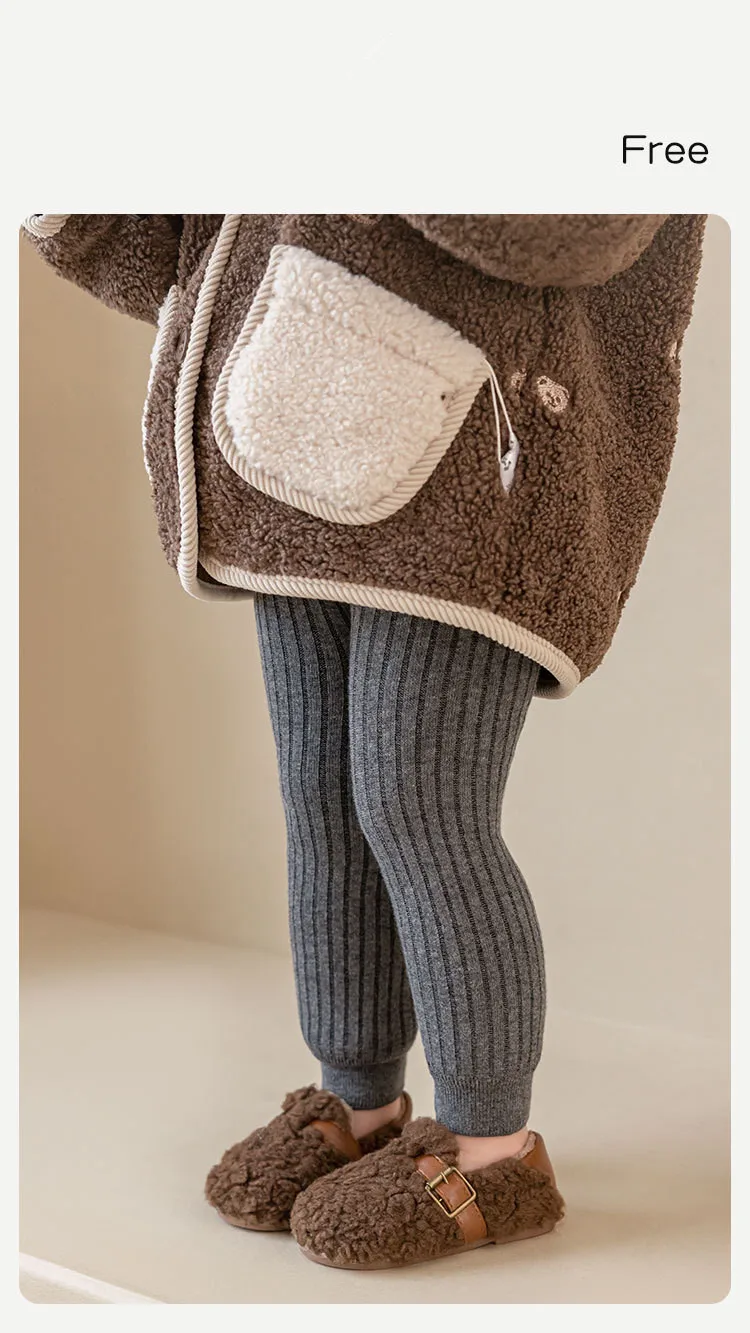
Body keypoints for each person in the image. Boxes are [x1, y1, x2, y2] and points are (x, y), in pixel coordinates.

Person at [24, 213, 705, 1269]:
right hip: (286, 429)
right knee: (325, 799)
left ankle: (493, 1154)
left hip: (464, 445)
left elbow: (576, 224)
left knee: (417, 804)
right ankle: (360, 1103)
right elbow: (172, 242)